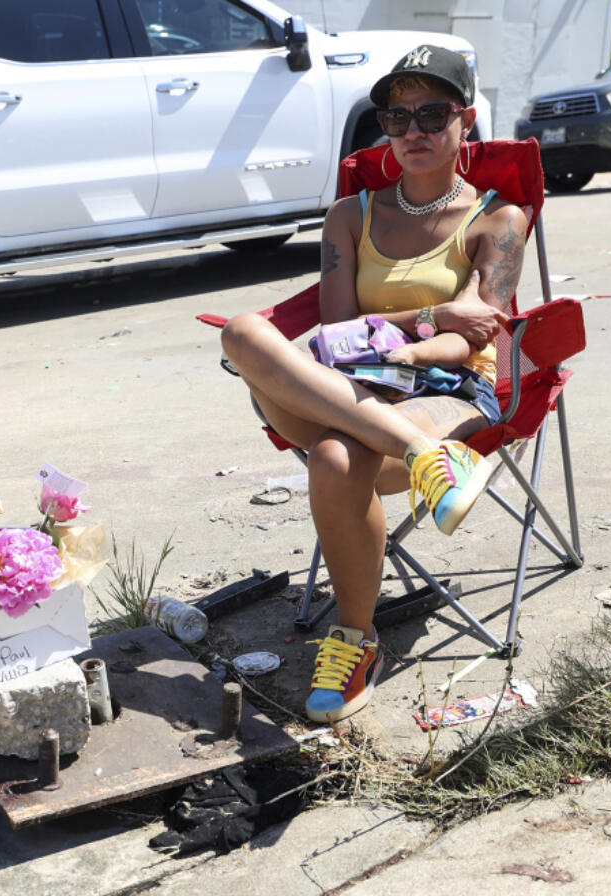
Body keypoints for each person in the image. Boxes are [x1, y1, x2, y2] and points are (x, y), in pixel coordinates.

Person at [220, 45, 527, 724]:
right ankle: (426, 462)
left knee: (334, 457)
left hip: (448, 392)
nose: (412, 131)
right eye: (396, 116)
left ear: (465, 120)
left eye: (431, 114)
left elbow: (471, 339)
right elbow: (337, 335)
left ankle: (355, 641)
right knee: (243, 332)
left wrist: (421, 336)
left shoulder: (500, 221)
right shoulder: (350, 216)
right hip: (356, 383)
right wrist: (435, 312)